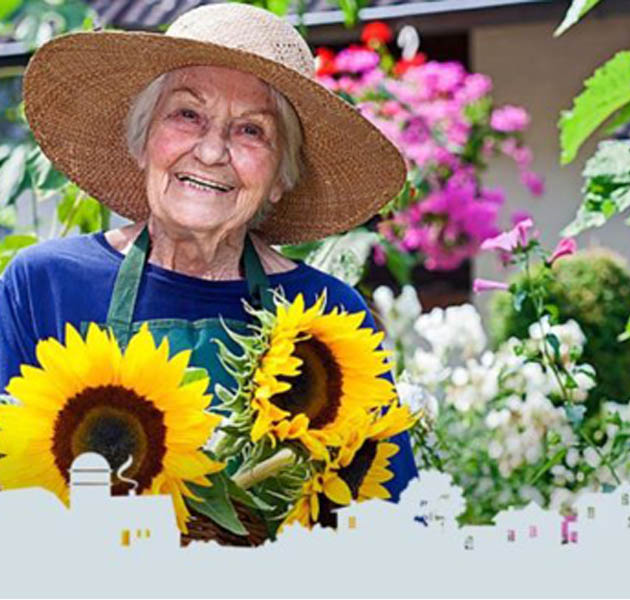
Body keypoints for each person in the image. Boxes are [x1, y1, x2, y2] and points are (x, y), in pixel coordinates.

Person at [0, 3, 416, 501]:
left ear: (280, 178)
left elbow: (393, 522)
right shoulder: (45, 285)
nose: (212, 151)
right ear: (142, 141)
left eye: (251, 130)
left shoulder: (332, 318)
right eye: (187, 114)